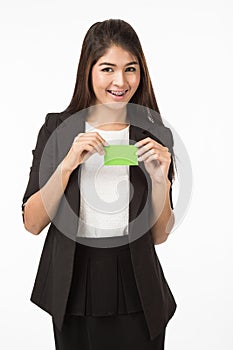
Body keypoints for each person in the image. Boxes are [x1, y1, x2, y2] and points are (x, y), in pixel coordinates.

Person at [21, 19, 177, 350]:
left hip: (138, 288)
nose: (120, 81)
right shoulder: (57, 130)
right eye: (108, 69)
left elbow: (159, 235)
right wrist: (68, 163)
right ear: (88, 70)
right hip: (74, 288)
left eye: (130, 69)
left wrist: (160, 179)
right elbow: (32, 222)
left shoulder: (152, 134)